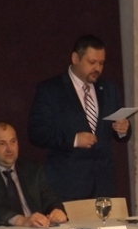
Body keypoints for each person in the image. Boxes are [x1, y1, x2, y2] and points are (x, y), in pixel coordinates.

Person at [28, 34, 131, 202]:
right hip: (67, 185)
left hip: (103, 185)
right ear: (75, 58)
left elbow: (118, 131)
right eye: (92, 62)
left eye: (101, 63)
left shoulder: (109, 89)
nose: (97, 68)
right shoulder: (51, 90)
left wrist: (123, 129)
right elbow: (36, 132)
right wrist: (74, 139)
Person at [0, 122, 67, 227]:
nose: (9, 149)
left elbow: (50, 198)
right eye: (2, 143)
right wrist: (22, 221)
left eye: (13, 141)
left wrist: (57, 211)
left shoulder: (33, 168)